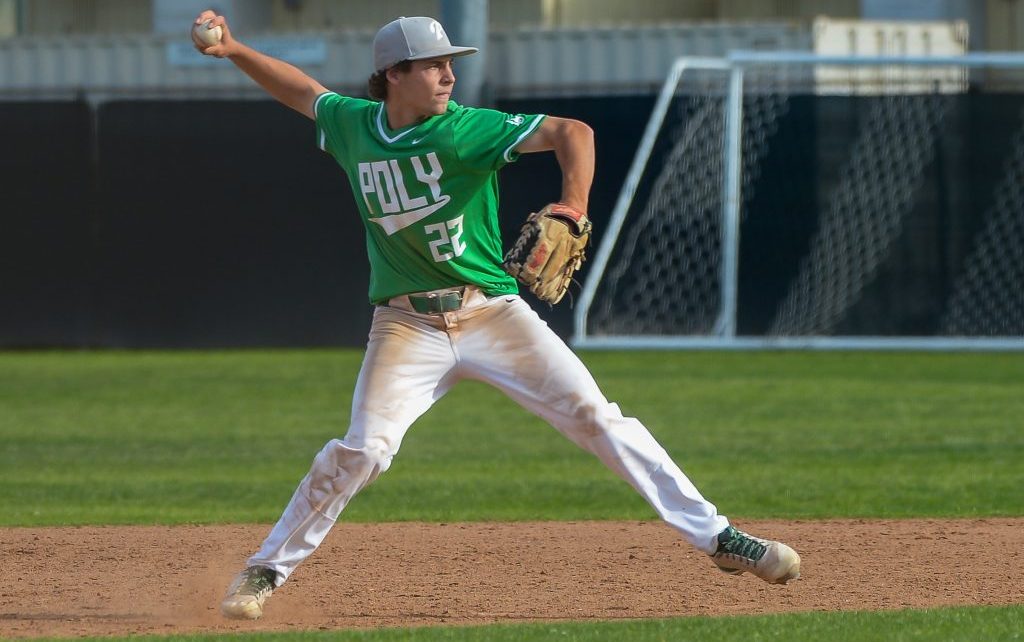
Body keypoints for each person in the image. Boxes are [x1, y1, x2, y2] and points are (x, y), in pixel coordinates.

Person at [191, 10, 801, 621]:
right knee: (365, 450)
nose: (448, 75)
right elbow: (303, 91)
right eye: (433, 64)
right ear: (393, 74)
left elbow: (574, 131)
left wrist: (572, 204)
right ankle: (265, 570)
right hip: (407, 326)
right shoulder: (354, 126)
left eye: (450, 62)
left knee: (596, 416)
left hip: (493, 315)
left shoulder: (467, 130)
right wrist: (237, 48)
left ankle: (720, 539)